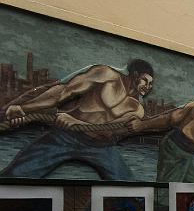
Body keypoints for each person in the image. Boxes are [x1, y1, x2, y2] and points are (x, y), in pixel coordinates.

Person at [1, 60, 153, 180]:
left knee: (130, 190)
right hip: (66, 136)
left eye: (151, 84)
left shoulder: (137, 109)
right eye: (145, 81)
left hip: (100, 147)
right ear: (134, 75)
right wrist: (24, 108)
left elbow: (112, 128)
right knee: (16, 175)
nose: (148, 87)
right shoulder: (106, 75)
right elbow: (64, 91)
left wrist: (78, 123)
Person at [128, 91, 194, 181]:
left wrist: (142, 124)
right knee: (165, 191)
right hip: (176, 150)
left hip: (178, 148)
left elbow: (170, 119)